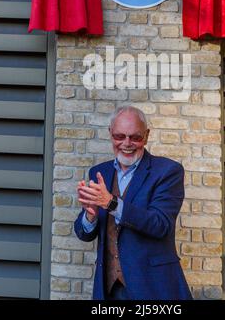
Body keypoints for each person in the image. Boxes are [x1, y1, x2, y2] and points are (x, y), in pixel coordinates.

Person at [74, 105, 192, 301]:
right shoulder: (99, 172)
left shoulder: (168, 171)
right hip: (109, 287)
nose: (126, 143)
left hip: (153, 287)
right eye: (119, 136)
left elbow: (160, 224)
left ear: (146, 136)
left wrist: (111, 203)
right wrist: (90, 216)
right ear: (110, 134)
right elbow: (84, 233)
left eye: (135, 137)